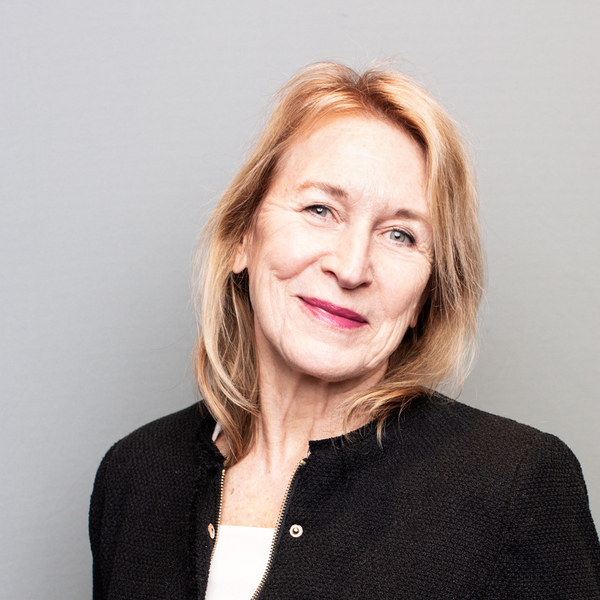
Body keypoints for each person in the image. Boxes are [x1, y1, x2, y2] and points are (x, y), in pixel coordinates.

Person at [89, 62, 600, 600]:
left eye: (401, 235)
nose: (352, 268)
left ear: (426, 295)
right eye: (320, 209)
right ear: (243, 236)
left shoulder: (514, 485)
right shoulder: (136, 473)